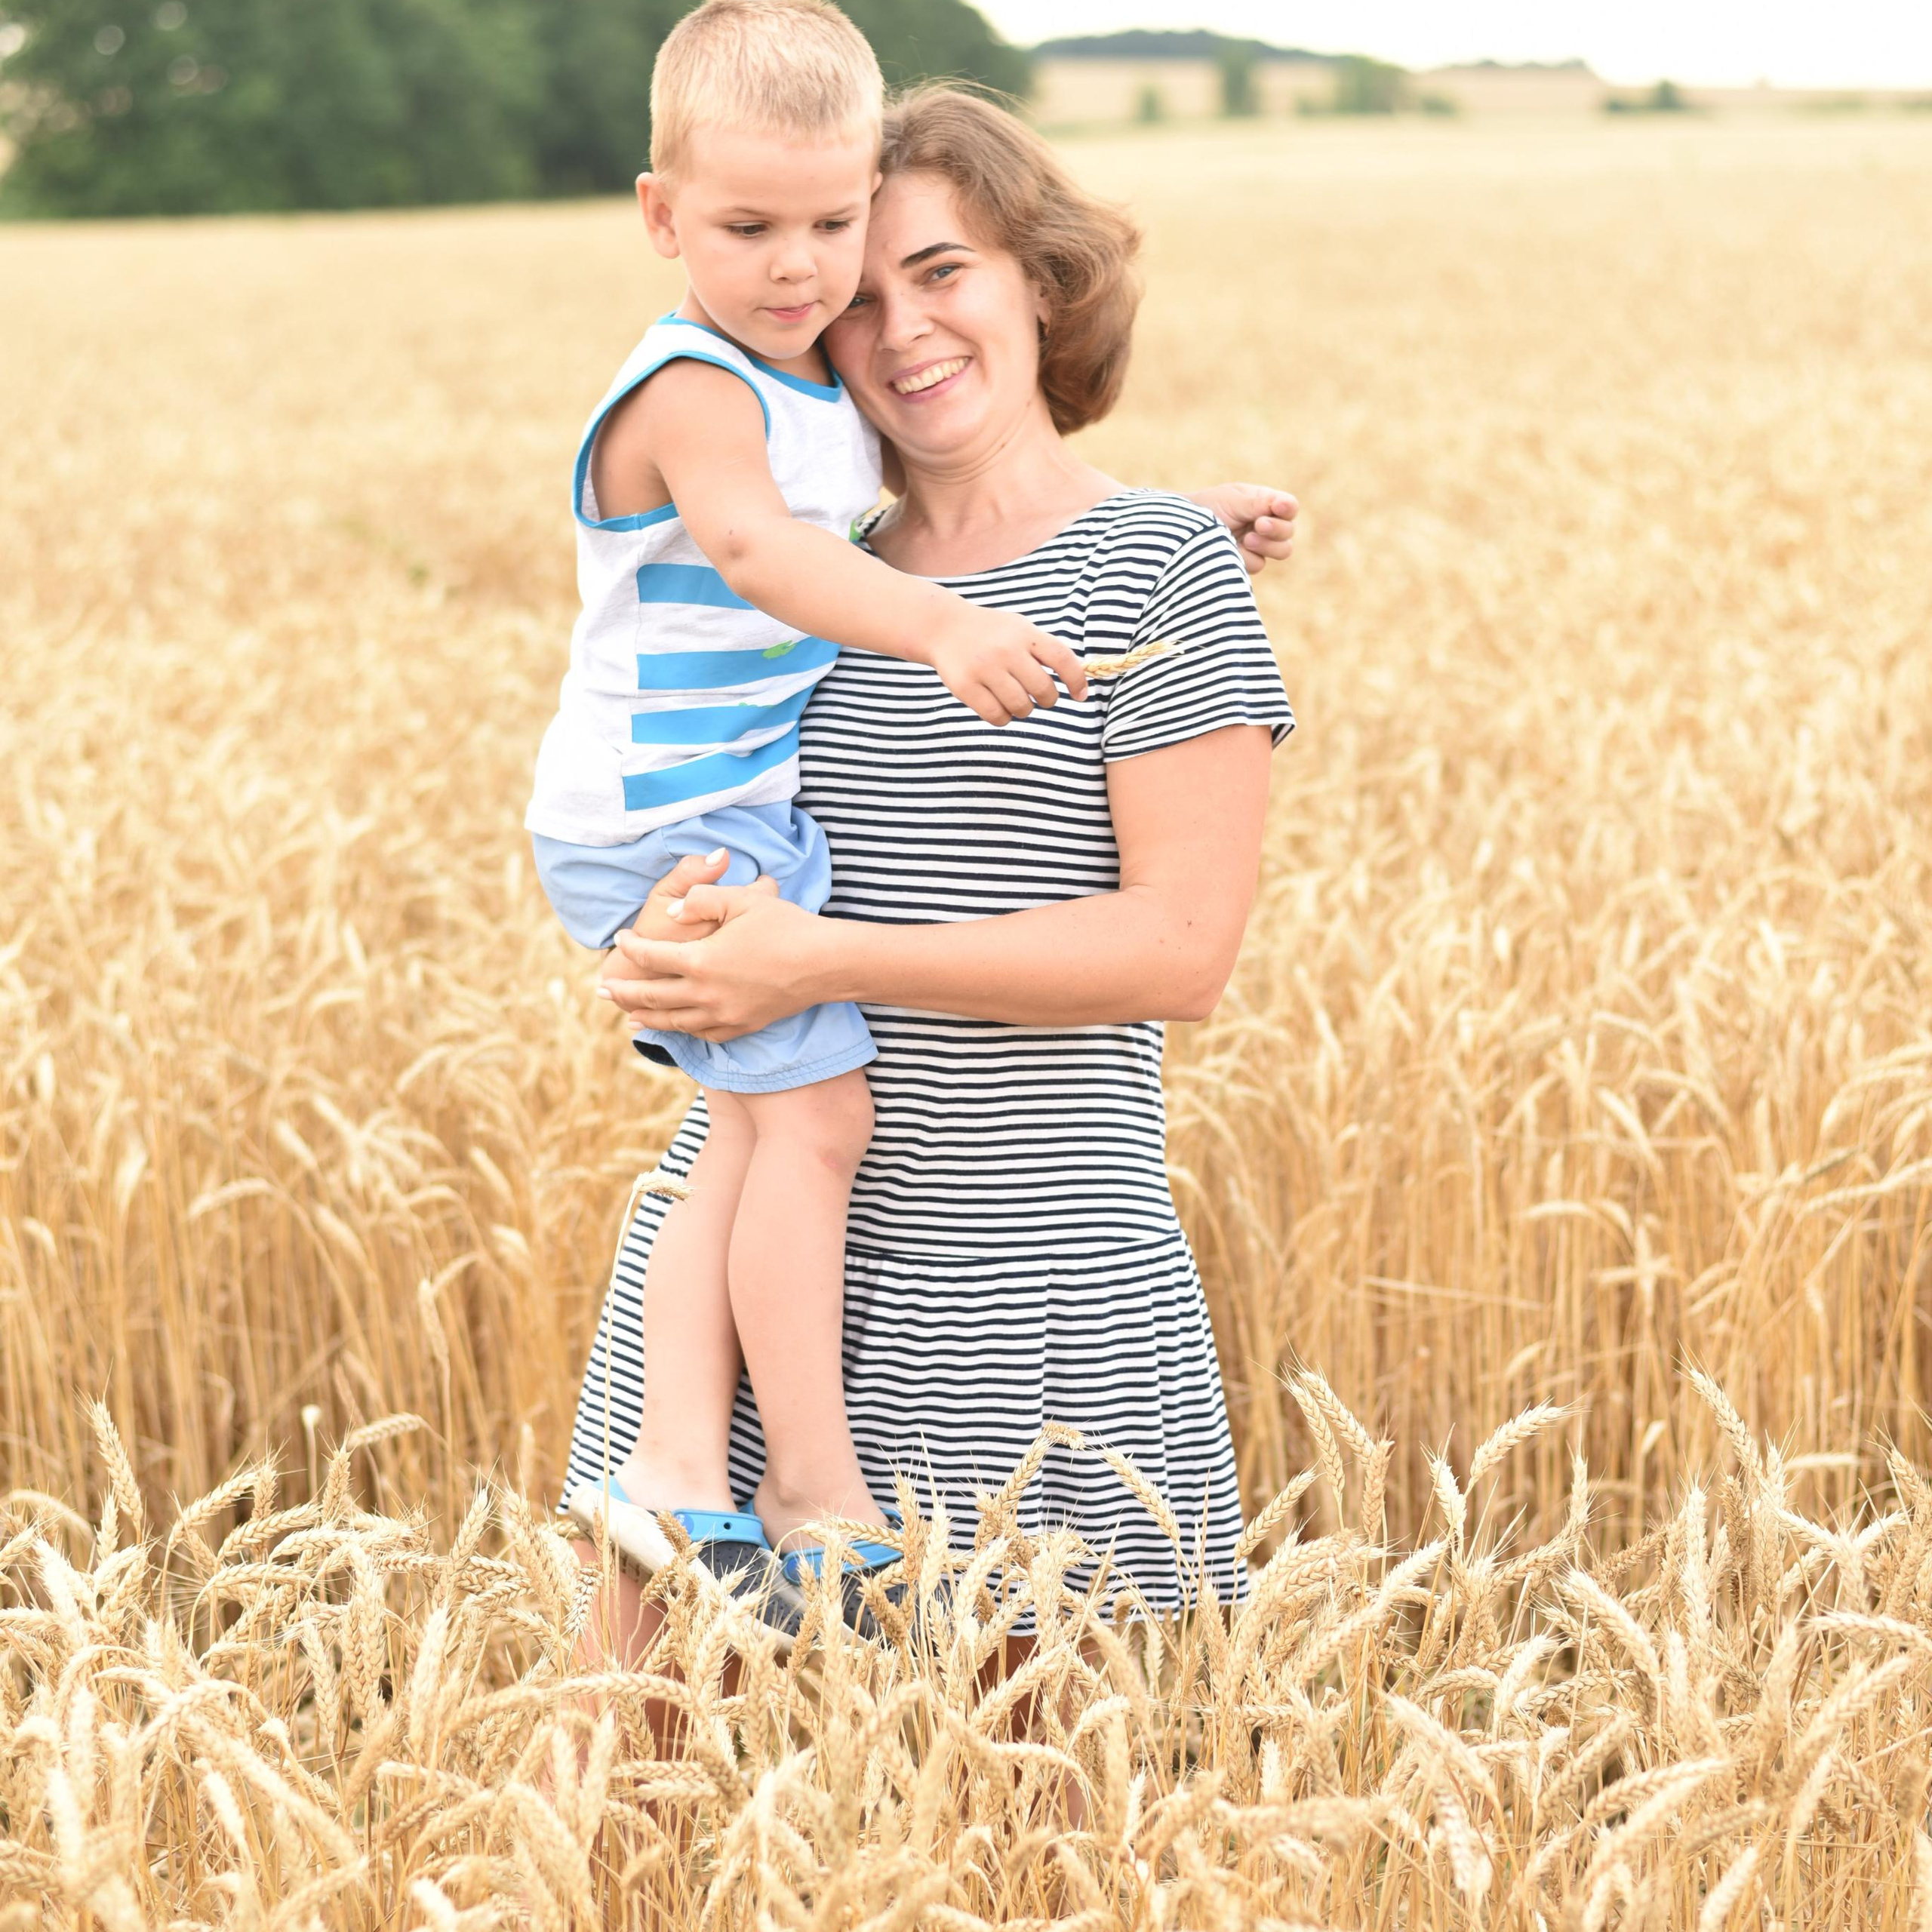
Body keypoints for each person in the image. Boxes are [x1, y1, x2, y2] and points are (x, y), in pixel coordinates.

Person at [531, 0, 1293, 1637]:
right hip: (753, 1301)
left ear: (1042, 279)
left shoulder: (1160, 570)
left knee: (1039, 1844)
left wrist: (811, 955)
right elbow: (674, 769)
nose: (891, 322)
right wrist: (673, 945)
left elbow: (1179, 949)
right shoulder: (825, 571)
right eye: (855, 290)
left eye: (936, 270)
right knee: (625, 1837)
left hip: (1035, 1296)